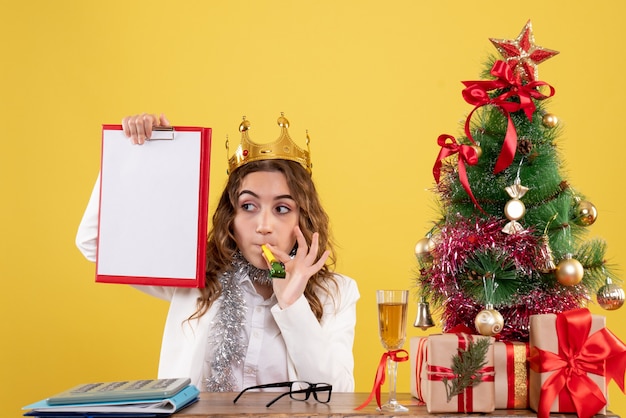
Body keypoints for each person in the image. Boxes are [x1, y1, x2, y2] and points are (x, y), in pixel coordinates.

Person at [75, 113, 360, 393]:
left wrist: (292, 303)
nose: (263, 226)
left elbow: (338, 392)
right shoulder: (196, 273)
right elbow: (94, 241)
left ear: (303, 219)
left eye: (282, 209)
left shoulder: (337, 292)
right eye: (248, 206)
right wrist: (139, 153)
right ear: (230, 219)